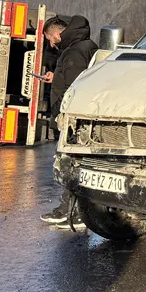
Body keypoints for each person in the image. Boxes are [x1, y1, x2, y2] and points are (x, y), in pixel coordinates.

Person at [38, 15, 98, 228]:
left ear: (57, 33)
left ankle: (71, 212)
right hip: (82, 119)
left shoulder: (73, 52)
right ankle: (72, 211)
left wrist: (63, 115)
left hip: (73, 120)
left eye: (49, 38)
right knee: (76, 164)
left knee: (69, 164)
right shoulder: (86, 46)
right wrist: (57, 77)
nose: (50, 44)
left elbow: (76, 87)